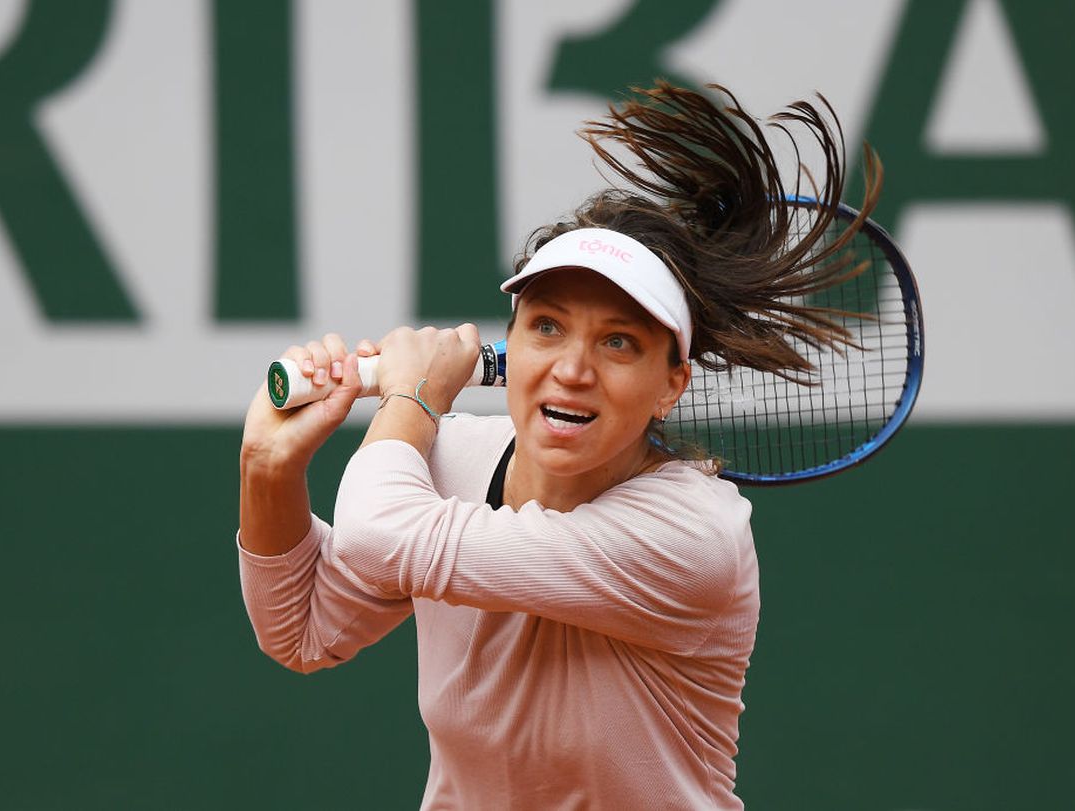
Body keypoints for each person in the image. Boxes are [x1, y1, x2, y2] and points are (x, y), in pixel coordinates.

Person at [237, 82, 879, 810]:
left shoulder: (696, 536)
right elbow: (303, 628)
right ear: (513, 338)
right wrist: (268, 467)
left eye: (617, 341)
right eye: (546, 325)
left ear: (672, 384)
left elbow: (380, 530)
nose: (572, 368)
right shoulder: (449, 459)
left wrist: (411, 398)